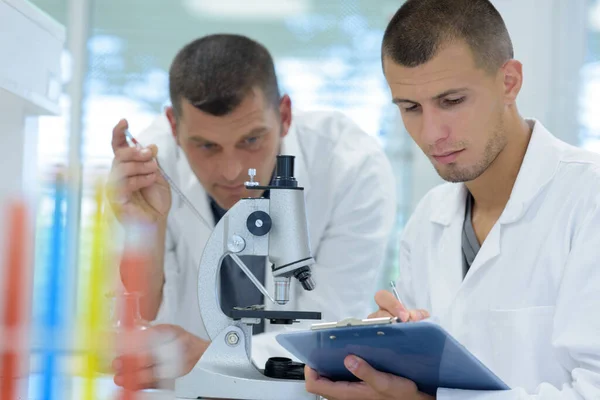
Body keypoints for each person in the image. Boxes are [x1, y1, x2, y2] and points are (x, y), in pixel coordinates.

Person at [305, 0, 600, 399]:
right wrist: (385, 358)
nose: (430, 134)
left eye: (452, 101)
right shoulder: (428, 220)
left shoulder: (588, 198)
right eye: (410, 108)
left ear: (509, 82)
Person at [107, 33, 396, 389]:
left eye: (251, 140)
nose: (231, 171)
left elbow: (331, 331)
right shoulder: (149, 168)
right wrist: (146, 229)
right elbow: (135, 319)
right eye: (206, 146)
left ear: (285, 115)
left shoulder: (350, 167)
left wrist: (215, 358)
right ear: (174, 127)